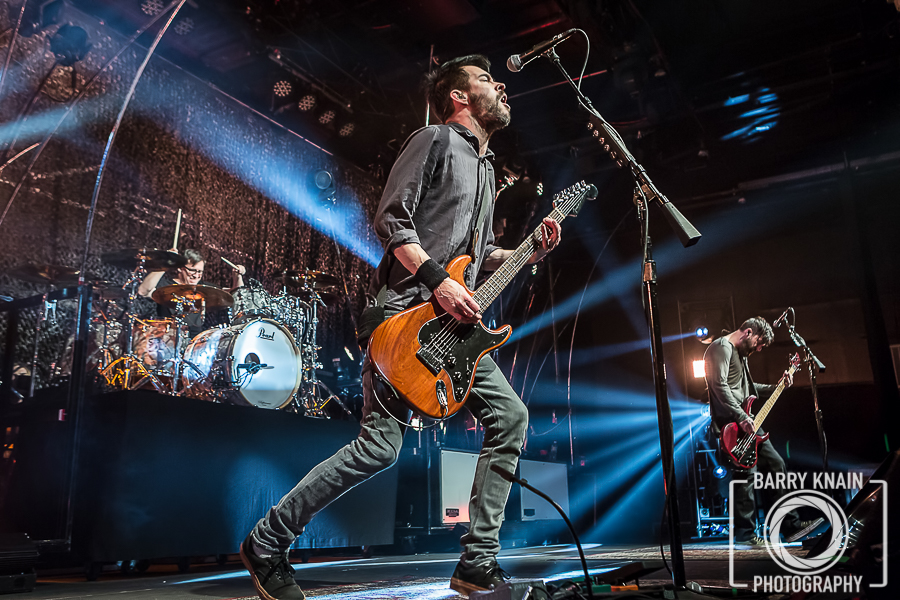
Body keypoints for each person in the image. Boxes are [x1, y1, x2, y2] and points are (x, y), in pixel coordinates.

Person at [240, 54, 562, 600]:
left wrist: (526, 252)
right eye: (487, 79)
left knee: (509, 417)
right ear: (459, 96)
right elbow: (392, 220)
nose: (501, 86)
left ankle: (477, 563)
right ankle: (267, 541)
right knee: (378, 448)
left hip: (452, 331)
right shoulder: (433, 139)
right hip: (403, 318)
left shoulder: (488, 171)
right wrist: (439, 282)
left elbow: (478, 258)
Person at [704, 316, 822, 545]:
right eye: (759, 343)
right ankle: (745, 535)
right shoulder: (721, 347)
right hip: (731, 424)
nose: (758, 349)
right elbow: (719, 386)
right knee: (745, 475)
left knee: (776, 464)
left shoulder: (740, 355)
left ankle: (790, 527)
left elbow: (749, 389)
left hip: (747, 422)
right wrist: (741, 417)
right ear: (748, 332)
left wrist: (777, 387)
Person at [137, 248, 245, 338]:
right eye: (192, 270)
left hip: (195, 345)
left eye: (200, 271)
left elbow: (236, 294)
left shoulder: (203, 287)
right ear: (180, 268)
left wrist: (237, 276)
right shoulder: (165, 285)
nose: (196, 275)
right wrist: (166, 263)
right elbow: (143, 291)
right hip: (167, 340)